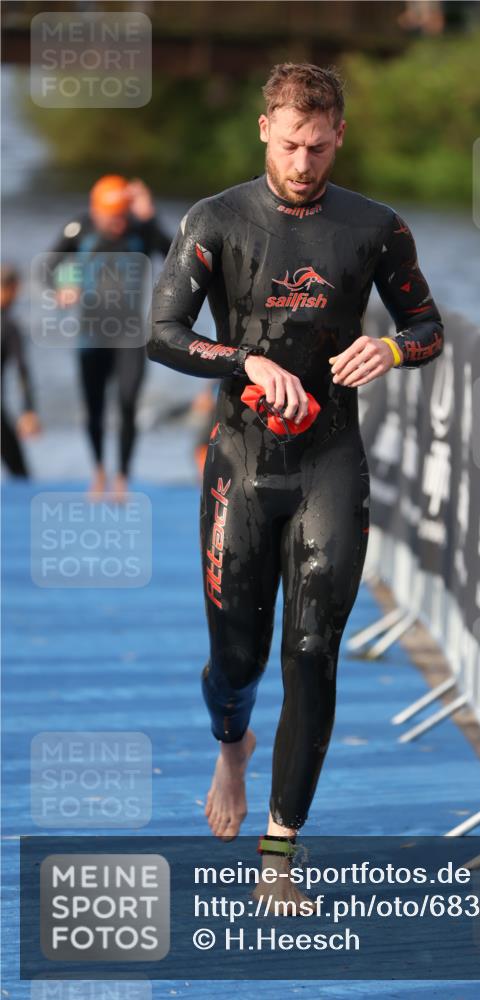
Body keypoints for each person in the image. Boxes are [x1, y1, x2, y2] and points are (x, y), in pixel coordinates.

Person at [148, 63, 443, 912]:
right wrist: (245, 357)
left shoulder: (375, 228)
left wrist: (387, 350)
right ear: (263, 131)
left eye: (318, 147)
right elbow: (163, 336)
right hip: (241, 465)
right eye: (288, 145)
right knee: (236, 657)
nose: (303, 163)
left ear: (338, 136)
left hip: (329, 460)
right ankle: (229, 742)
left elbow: (426, 325)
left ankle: (280, 846)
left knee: (312, 651)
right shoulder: (217, 220)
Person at [47, 175, 172, 500]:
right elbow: (51, 264)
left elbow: (176, 259)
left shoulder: (141, 228)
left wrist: (151, 216)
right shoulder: (80, 227)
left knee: (128, 402)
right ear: (96, 210)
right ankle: (99, 469)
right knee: (94, 408)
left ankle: (122, 477)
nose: (117, 223)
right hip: (91, 334)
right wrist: (65, 283)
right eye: (111, 216)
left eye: (122, 216)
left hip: (130, 336)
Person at [1, 264, 41, 477]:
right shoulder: (9, 327)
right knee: (20, 474)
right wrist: (28, 410)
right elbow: (21, 369)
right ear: (11, 289)